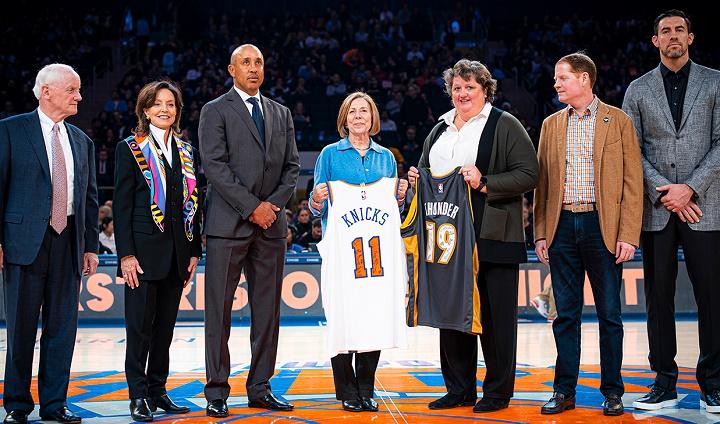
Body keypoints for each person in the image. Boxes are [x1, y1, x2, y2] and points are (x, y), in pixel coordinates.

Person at [407, 59, 538, 413]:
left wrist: (485, 182)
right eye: (457, 88)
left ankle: (497, 392)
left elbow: (529, 173)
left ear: (485, 90)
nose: (463, 94)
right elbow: (425, 172)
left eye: (470, 87)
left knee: (496, 320)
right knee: (453, 316)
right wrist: (418, 180)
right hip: (447, 242)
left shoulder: (505, 124)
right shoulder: (439, 130)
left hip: (492, 238)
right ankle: (459, 389)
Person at [534, 52, 643, 416]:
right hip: (562, 227)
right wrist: (540, 233)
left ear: (583, 79)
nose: (556, 83)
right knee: (565, 315)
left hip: (603, 227)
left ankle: (612, 392)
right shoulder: (550, 124)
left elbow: (632, 182)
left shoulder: (619, 120)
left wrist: (628, 233)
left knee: (610, 314)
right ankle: (564, 391)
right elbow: (543, 184)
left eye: (561, 77)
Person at [622, 9, 720, 413]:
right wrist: (667, 192)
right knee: (658, 300)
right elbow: (632, 150)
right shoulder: (637, 89)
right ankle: (663, 383)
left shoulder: (715, 81)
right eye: (666, 31)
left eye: (680, 30)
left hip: (705, 206)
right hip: (657, 208)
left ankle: (713, 385)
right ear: (655, 41)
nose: (674, 36)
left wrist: (690, 188)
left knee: (711, 298)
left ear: (691, 38)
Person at [199, 44, 300, 417]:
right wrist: (251, 207)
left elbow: (292, 168)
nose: (254, 68)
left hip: (271, 227)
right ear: (232, 69)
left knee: (268, 313)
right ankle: (216, 390)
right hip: (228, 227)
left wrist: (270, 207)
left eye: (259, 62)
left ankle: (260, 386)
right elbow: (214, 165)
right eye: (246, 62)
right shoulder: (215, 110)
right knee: (218, 313)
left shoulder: (281, 112)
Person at [0, 63, 99, 424]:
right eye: (72, 89)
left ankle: (55, 404)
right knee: (21, 328)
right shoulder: (10, 131)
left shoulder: (82, 140)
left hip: (68, 241)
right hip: (23, 243)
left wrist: (90, 246)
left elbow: (89, 198)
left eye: (79, 89)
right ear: (46, 91)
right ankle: (16, 405)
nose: (79, 96)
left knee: (62, 329)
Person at [309, 91, 408, 412]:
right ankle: (347, 391)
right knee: (342, 318)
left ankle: (366, 388)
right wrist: (317, 199)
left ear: (373, 118)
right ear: (344, 119)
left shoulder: (387, 158)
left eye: (364, 111)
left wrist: (402, 194)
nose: (358, 116)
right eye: (352, 112)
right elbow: (314, 206)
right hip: (342, 255)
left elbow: (394, 206)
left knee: (374, 318)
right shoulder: (329, 155)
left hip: (377, 259)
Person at [113, 80, 202, 422]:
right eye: (157, 104)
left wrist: (194, 249)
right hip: (141, 256)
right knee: (139, 329)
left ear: (177, 111)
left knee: (164, 330)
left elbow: (192, 202)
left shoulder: (186, 150)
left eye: (171, 104)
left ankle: (157, 390)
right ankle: (137, 396)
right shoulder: (130, 148)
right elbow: (121, 206)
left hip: (178, 255)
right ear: (145, 109)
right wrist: (126, 255)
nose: (165, 109)